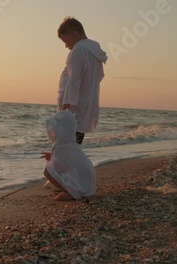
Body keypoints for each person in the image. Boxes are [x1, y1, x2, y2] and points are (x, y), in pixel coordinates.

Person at [57, 16, 108, 145]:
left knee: (64, 148)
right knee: (74, 146)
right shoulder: (95, 52)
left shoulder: (78, 51)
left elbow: (73, 81)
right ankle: (73, 164)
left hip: (71, 110)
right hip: (83, 107)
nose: (66, 46)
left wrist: (64, 110)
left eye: (66, 41)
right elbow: (98, 77)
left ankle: (67, 165)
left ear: (73, 33)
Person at [40, 110, 96, 201]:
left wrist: (51, 159)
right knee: (55, 168)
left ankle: (71, 192)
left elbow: (58, 167)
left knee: (47, 171)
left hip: (82, 187)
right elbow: (69, 162)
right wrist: (52, 157)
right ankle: (75, 190)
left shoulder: (60, 147)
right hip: (89, 185)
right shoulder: (72, 144)